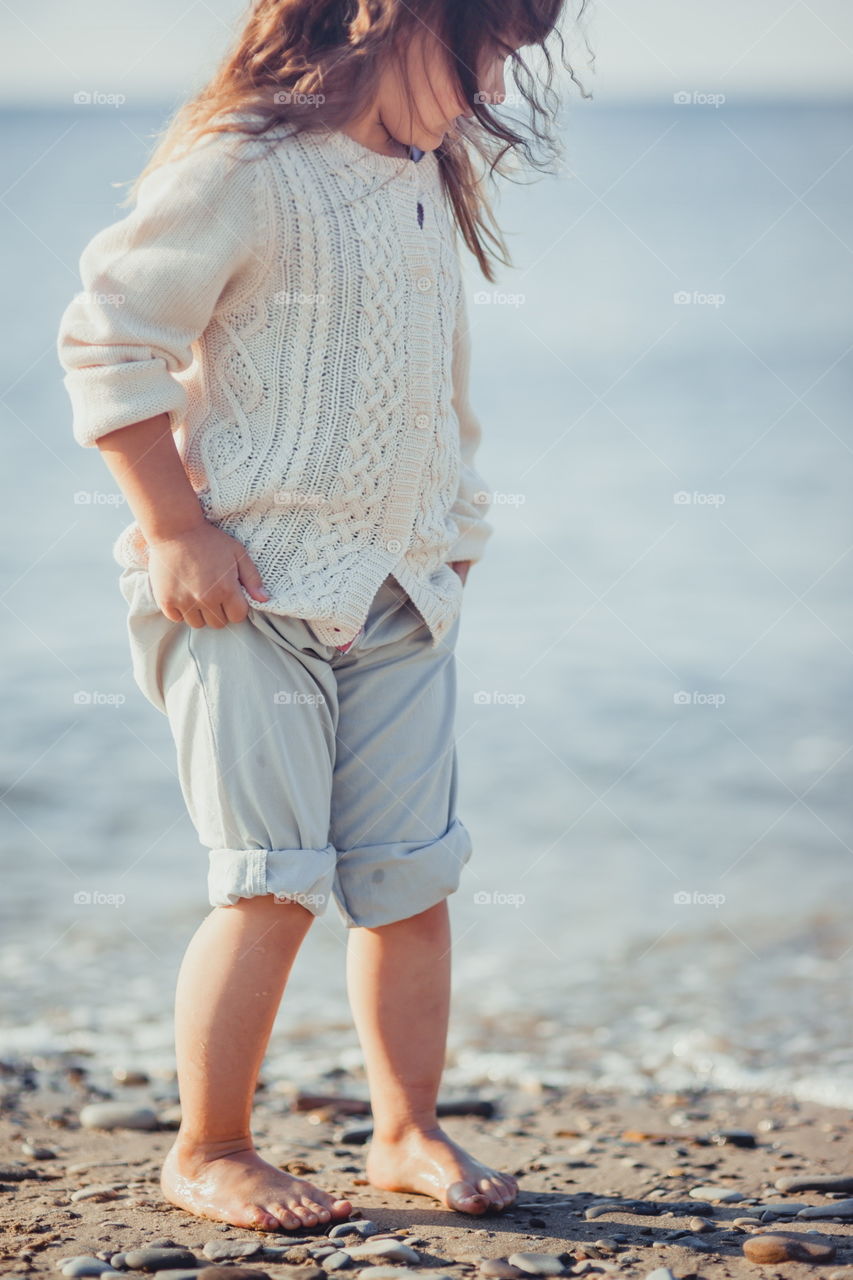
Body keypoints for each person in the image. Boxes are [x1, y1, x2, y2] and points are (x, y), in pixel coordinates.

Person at [57, 0, 587, 1236]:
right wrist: (178, 527)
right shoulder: (245, 166)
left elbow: (430, 387)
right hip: (244, 592)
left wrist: (455, 534)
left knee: (411, 877)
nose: (496, 85)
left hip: (403, 590)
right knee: (272, 879)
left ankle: (404, 1125)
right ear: (388, 17)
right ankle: (211, 1143)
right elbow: (109, 340)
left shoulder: (418, 182)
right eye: (492, 46)